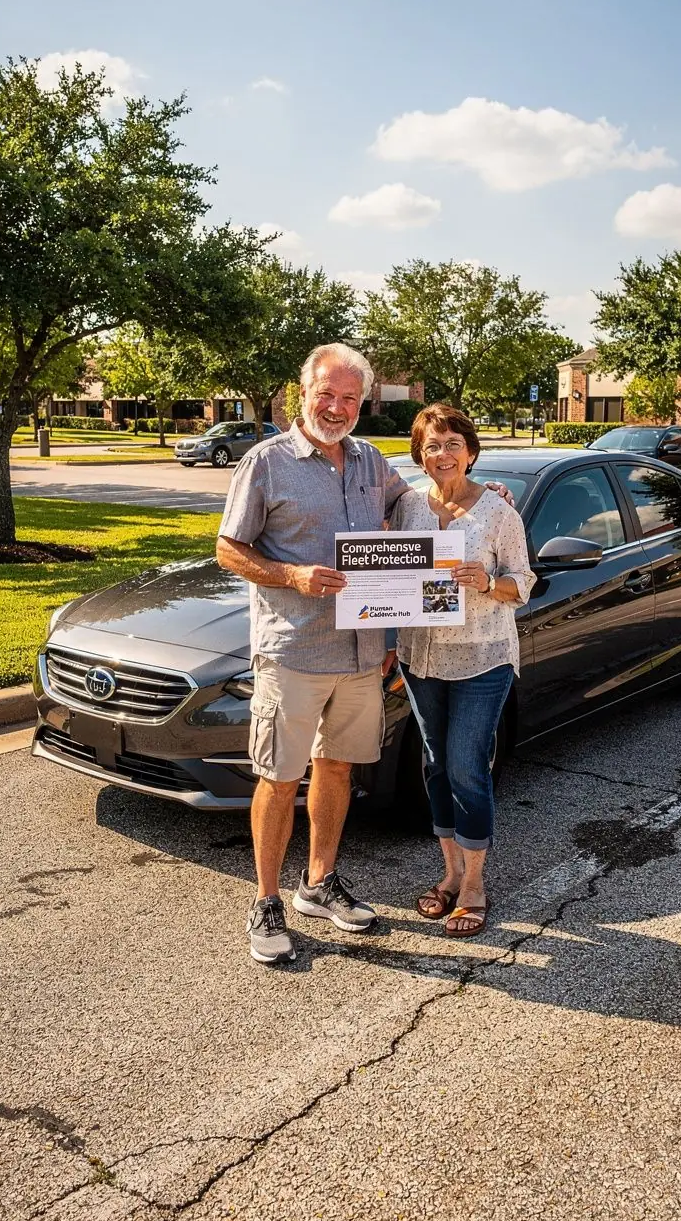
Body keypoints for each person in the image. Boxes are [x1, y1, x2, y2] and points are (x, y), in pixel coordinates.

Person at [216, 345, 513, 966]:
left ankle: (318, 883)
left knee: (337, 769)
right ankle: (267, 900)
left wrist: (489, 496)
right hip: (295, 648)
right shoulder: (265, 463)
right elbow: (229, 550)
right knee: (279, 776)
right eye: (328, 393)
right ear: (303, 392)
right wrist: (293, 577)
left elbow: (421, 512)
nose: (338, 406)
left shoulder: (370, 462)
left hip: (358, 653)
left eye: (351, 398)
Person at [391, 404, 535, 939]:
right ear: (420, 457)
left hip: (483, 657)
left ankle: (474, 884)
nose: (443, 453)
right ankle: (449, 873)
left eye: (453, 442)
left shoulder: (498, 513)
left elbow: (523, 583)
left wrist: (485, 582)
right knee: (434, 766)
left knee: (467, 766)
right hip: (421, 657)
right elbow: (386, 574)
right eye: (432, 445)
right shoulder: (407, 506)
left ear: (471, 452)